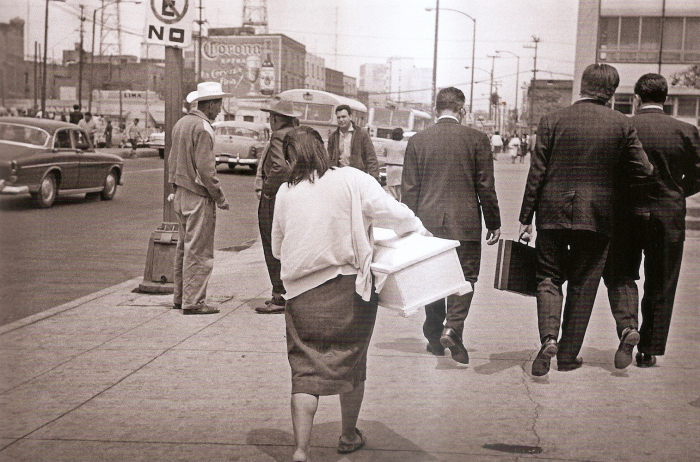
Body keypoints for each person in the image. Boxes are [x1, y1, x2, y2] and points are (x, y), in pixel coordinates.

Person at [271, 126, 429, 462]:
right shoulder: (352, 179)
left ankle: (301, 450)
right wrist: (415, 227)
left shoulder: (285, 192)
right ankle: (347, 435)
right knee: (353, 362)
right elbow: (393, 211)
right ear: (322, 150)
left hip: (302, 297)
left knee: (304, 370)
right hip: (349, 293)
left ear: (292, 157)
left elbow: (277, 247)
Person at [518, 64, 654, 377]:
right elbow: (644, 169)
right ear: (612, 92)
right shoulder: (622, 123)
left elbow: (536, 172)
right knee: (583, 284)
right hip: (598, 216)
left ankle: (549, 338)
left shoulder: (552, 120)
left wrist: (526, 217)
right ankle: (567, 355)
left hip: (551, 213)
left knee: (548, 277)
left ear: (582, 86)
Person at [603, 73, 700, 369]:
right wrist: (678, 192)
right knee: (662, 281)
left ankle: (628, 326)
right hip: (668, 215)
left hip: (626, 213)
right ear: (666, 99)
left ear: (636, 97)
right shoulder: (686, 130)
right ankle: (649, 349)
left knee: (620, 273)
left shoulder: (622, 126)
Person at [402, 87, 501, 364]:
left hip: (428, 224)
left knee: (433, 280)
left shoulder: (418, 141)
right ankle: (453, 327)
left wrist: (409, 227)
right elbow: (486, 187)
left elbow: (409, 190)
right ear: (462, 109)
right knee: (465, 277)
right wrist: (493, 222)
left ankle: (434, 338)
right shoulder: (477, 139)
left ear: (436, 109)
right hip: (465, 222)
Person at [168, 82, 231, 315]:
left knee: (183, 248)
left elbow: (172, 160)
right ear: (211, 104)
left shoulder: (181, 123)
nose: (220, 109)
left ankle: (180, 296)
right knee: (199, 251)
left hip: (180, 193)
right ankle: (194, 301)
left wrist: (174, 185)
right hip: (197, 195)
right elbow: (207, 171)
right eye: (219, 104)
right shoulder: (203, 128)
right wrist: (220, 197)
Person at [254, 96, 302, 314]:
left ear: (275, 118)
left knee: (271, 244)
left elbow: (279, 168)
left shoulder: (277, 137)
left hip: (275, 199)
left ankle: (278, 294)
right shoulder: (298, 135)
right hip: (295, 197)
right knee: (289, 245)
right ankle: (289, 291)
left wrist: (267, 190)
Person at [327, 104, 380, 181]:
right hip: (339, 176)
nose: (341, 120)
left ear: (350, 117)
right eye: (338, 117)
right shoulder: (333, 136)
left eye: (344, 116)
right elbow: (330, 158)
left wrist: (374, 178)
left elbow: (371, 157)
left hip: (357, 176)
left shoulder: (361, 133)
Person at [384, 127, 405, 200]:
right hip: (401, 166)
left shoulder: (387, 143)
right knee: (398, 185)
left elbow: (385, 154)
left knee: (390, 184)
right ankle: (399, 199)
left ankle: (394, 196)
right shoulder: (405, 144)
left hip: (390, 166)